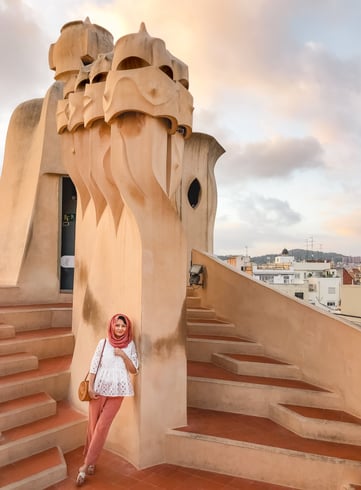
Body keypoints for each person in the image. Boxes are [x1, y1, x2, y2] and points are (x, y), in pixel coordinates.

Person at [76, 313, 139, 487]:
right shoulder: (103, 343)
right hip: (98, 389)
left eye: (123, 326)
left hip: (118, 391)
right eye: (117, 325)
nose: (120, 329)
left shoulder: (130, 345)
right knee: (93, 425)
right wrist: (91, 386)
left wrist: (123, 355)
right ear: (112, 326)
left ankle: (86, 464)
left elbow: (134, 369)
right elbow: (94, 364)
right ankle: (91, 461)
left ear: (128, 328)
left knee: (102, 427)